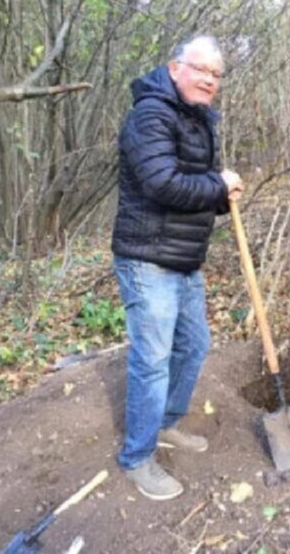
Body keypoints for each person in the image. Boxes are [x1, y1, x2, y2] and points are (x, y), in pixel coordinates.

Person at [111, 35, 244, 500]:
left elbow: (194, 191)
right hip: (148, 258)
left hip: (183, 257)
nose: (209, 79)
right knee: (152, 361)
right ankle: (137, 457)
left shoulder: (198, 119)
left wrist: (222, 196)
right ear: (174, 68)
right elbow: (163, 184)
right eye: (200, 69)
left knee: (195, 344)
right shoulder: (150, 115)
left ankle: (165, 424)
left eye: (216, 74)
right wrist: (215, 183)